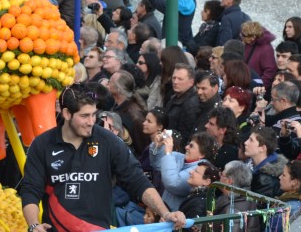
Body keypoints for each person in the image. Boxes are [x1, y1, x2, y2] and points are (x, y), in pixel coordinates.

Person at [18, 85, 186, 231]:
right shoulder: (42, 144)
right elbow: (31, 189)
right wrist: (33, 225)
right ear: (67, 113)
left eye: (94, 114)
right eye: (84, 116)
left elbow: (137, 180)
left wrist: (165, 212)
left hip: (98, 229)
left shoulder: (107, 140)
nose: (91, 121)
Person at [246, 125, 288, 198]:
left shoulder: (266, 180)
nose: (246, 143)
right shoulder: (254, 168)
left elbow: (256, 206)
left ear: (262, 148)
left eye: (251, 140)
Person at [241, 20, 278, 88]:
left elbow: (270, 71)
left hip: (256, 89)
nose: (241, 36)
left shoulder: (266, 48)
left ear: (252, 37)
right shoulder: (247, 44)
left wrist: (259, 87)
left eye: (243, 35)